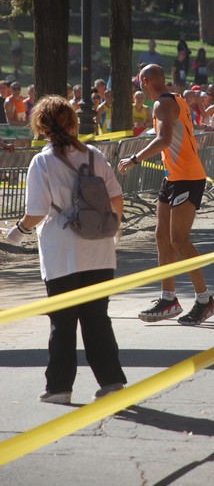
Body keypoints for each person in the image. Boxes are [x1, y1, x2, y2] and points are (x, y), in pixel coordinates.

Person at [5, 95, 126, 404]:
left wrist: (15, 234)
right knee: (98, 318)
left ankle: (59, 387)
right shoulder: (95, 155)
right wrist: (112, 229)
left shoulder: (42, 162)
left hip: (62, 252)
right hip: (99, 248)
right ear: (73, 122)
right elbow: (116, 197)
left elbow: (36, 212)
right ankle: (112, 381)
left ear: (41, 127)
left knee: (63, 321)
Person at [117, 64, 214, 326]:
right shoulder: (177, 99)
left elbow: (163, 139)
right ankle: (168, 298)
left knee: (179, 240)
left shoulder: (162, 104)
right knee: (161, 235)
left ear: (147, 81)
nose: (139, 88)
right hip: (173, 177)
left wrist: (134, 158)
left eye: (140, 83)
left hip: (188, 177)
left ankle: (205, 299)